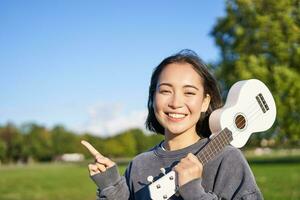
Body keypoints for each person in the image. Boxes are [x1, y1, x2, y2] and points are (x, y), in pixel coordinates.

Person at [82, 49, 263, 199]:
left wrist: (193, 191)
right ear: (153, 98)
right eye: (166, 91)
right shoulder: (139, 164)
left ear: (205, 102)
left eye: (189, 93)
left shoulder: (227, 159)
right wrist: (111, 185)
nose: (176, 102)